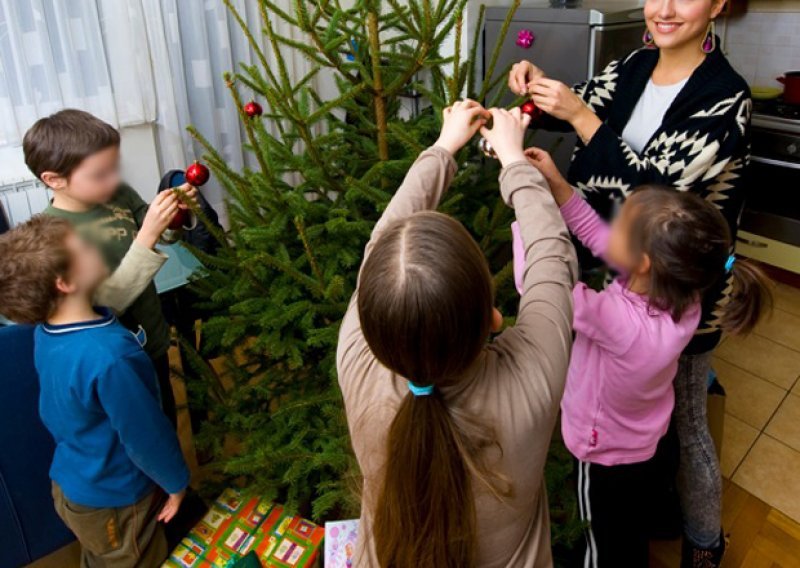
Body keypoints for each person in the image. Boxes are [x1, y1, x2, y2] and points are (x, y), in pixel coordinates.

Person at [507, 0, 750, 562]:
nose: (663, 8)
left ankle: (704, 543)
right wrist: (542, 90)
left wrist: (576, 124)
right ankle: (651, 512)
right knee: (645, 413)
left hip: (675, 292)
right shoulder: (637, 63)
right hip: (623, 274)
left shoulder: (724, 98)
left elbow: (653, 194)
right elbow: (583, 102)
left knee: (684, 420)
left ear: (718, 4)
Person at [337, 100, 577, 567]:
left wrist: (442, 148)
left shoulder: (357, 360)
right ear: (492, 317)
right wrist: (511, 158)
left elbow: (379, 245)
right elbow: (552, 254)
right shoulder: (534, 377)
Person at [511, 149, 771, 566]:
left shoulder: (620, 322)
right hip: (641, 444)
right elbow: (599, 236)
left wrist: (527, 214)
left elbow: (540, 286)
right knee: (628, 527)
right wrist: (558, 186)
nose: (610, 228)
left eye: (621, 225)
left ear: (643, 262)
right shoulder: (683, 296)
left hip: (600, 452)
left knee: (602, 540)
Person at [0, 215, 190, 567]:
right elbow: (145, 435)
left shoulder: (47, 331)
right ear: (65, 282)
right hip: (118, 501)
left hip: (73, 486)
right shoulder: (111, 355)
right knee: (133, 558)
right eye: (85, 246)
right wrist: (177, 482)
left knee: (101, 555)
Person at [23, 109, 198, 428]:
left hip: (153, 342)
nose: (113, 179)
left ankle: (175, 478)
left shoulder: (118, 194)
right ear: (53, 179)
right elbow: (106, 304)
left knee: (164, 422)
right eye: (98, 174)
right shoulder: (51, 238)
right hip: (113, 361)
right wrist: (146, 237)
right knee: (138, 432)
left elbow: (166, 234)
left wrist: (177, 216)